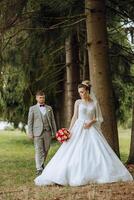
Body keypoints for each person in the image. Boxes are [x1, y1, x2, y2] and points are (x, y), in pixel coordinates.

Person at [34, 82, 133, 186]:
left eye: (82, 92)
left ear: (87, 91)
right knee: (72, 150)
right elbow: (74, 116)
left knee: (95, 150)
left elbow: (99, 118)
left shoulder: (94, 103)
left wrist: (91, 122)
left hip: (91, 128)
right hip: (78, 127)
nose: (80, 94)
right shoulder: (77, 102)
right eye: (79, 92)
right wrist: (69, 130)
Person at [27, 90, 57, 175]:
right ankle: (39, 168)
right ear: (36, 98)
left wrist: (55, 132)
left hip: (47, 132)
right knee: (38, 150)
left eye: (43, 97)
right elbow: (30, 122)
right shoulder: (32, 109)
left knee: (46, 149)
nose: (42, 99)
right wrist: (30, 132)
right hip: (37, 132)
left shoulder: (49, 108)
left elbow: (53, 121)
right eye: (40, 98)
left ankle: (41, 163)